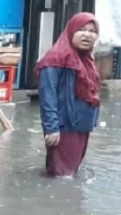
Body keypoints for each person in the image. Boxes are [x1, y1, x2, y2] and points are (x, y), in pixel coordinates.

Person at [35, 12, 101, 178]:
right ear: (71, 31)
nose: (87, 35)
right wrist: (52, 128)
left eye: (93, 31)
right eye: (82, 29)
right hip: (64, 127)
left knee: (70, 173)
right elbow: (47, 95)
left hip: (81, 127)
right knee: (62, 177)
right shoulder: (55, 58)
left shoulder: (87, 60)